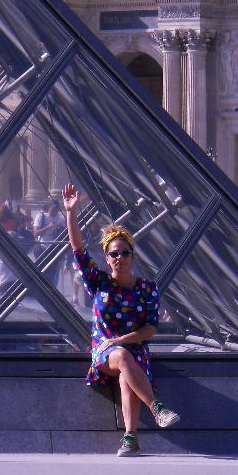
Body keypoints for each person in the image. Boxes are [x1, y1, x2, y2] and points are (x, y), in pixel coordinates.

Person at [62, 183, 180, 457]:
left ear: (133, 256)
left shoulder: (148, 288)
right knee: (124, 358)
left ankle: (130, 438)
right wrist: (71, 213)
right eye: (113, 253)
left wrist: (122, 340)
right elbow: (78, 249)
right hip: (104, 353)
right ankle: (157, 408)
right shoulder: (98, 281)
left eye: (124, 252)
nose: (119, 258)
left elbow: (150, 327)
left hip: (133, 350)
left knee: (128, 367)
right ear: (106, 258)